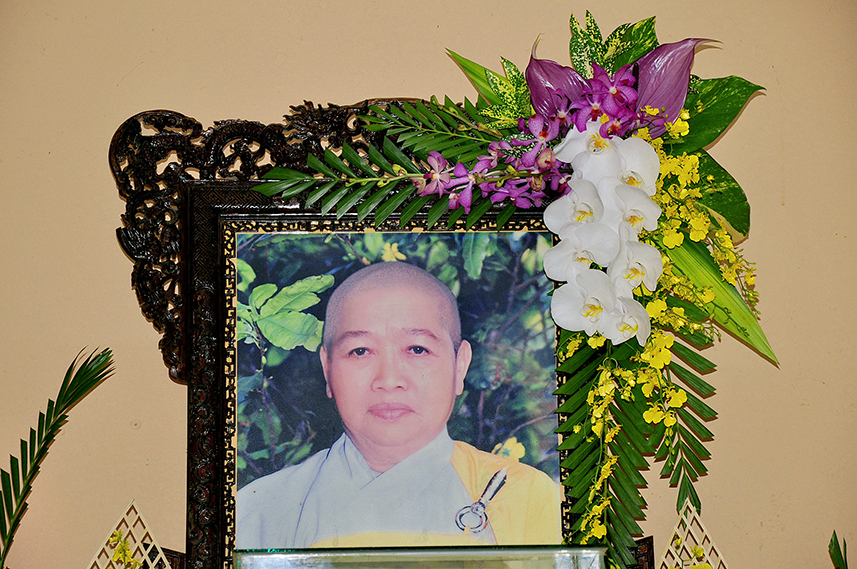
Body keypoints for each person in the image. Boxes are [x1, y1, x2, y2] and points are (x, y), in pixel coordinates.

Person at [236, 262, 561, 549]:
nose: (389, 380)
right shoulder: (259, 511)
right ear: (327, 368)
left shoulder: (525, 498)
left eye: (417, 349)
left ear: (460, 366)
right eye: (360, 351)